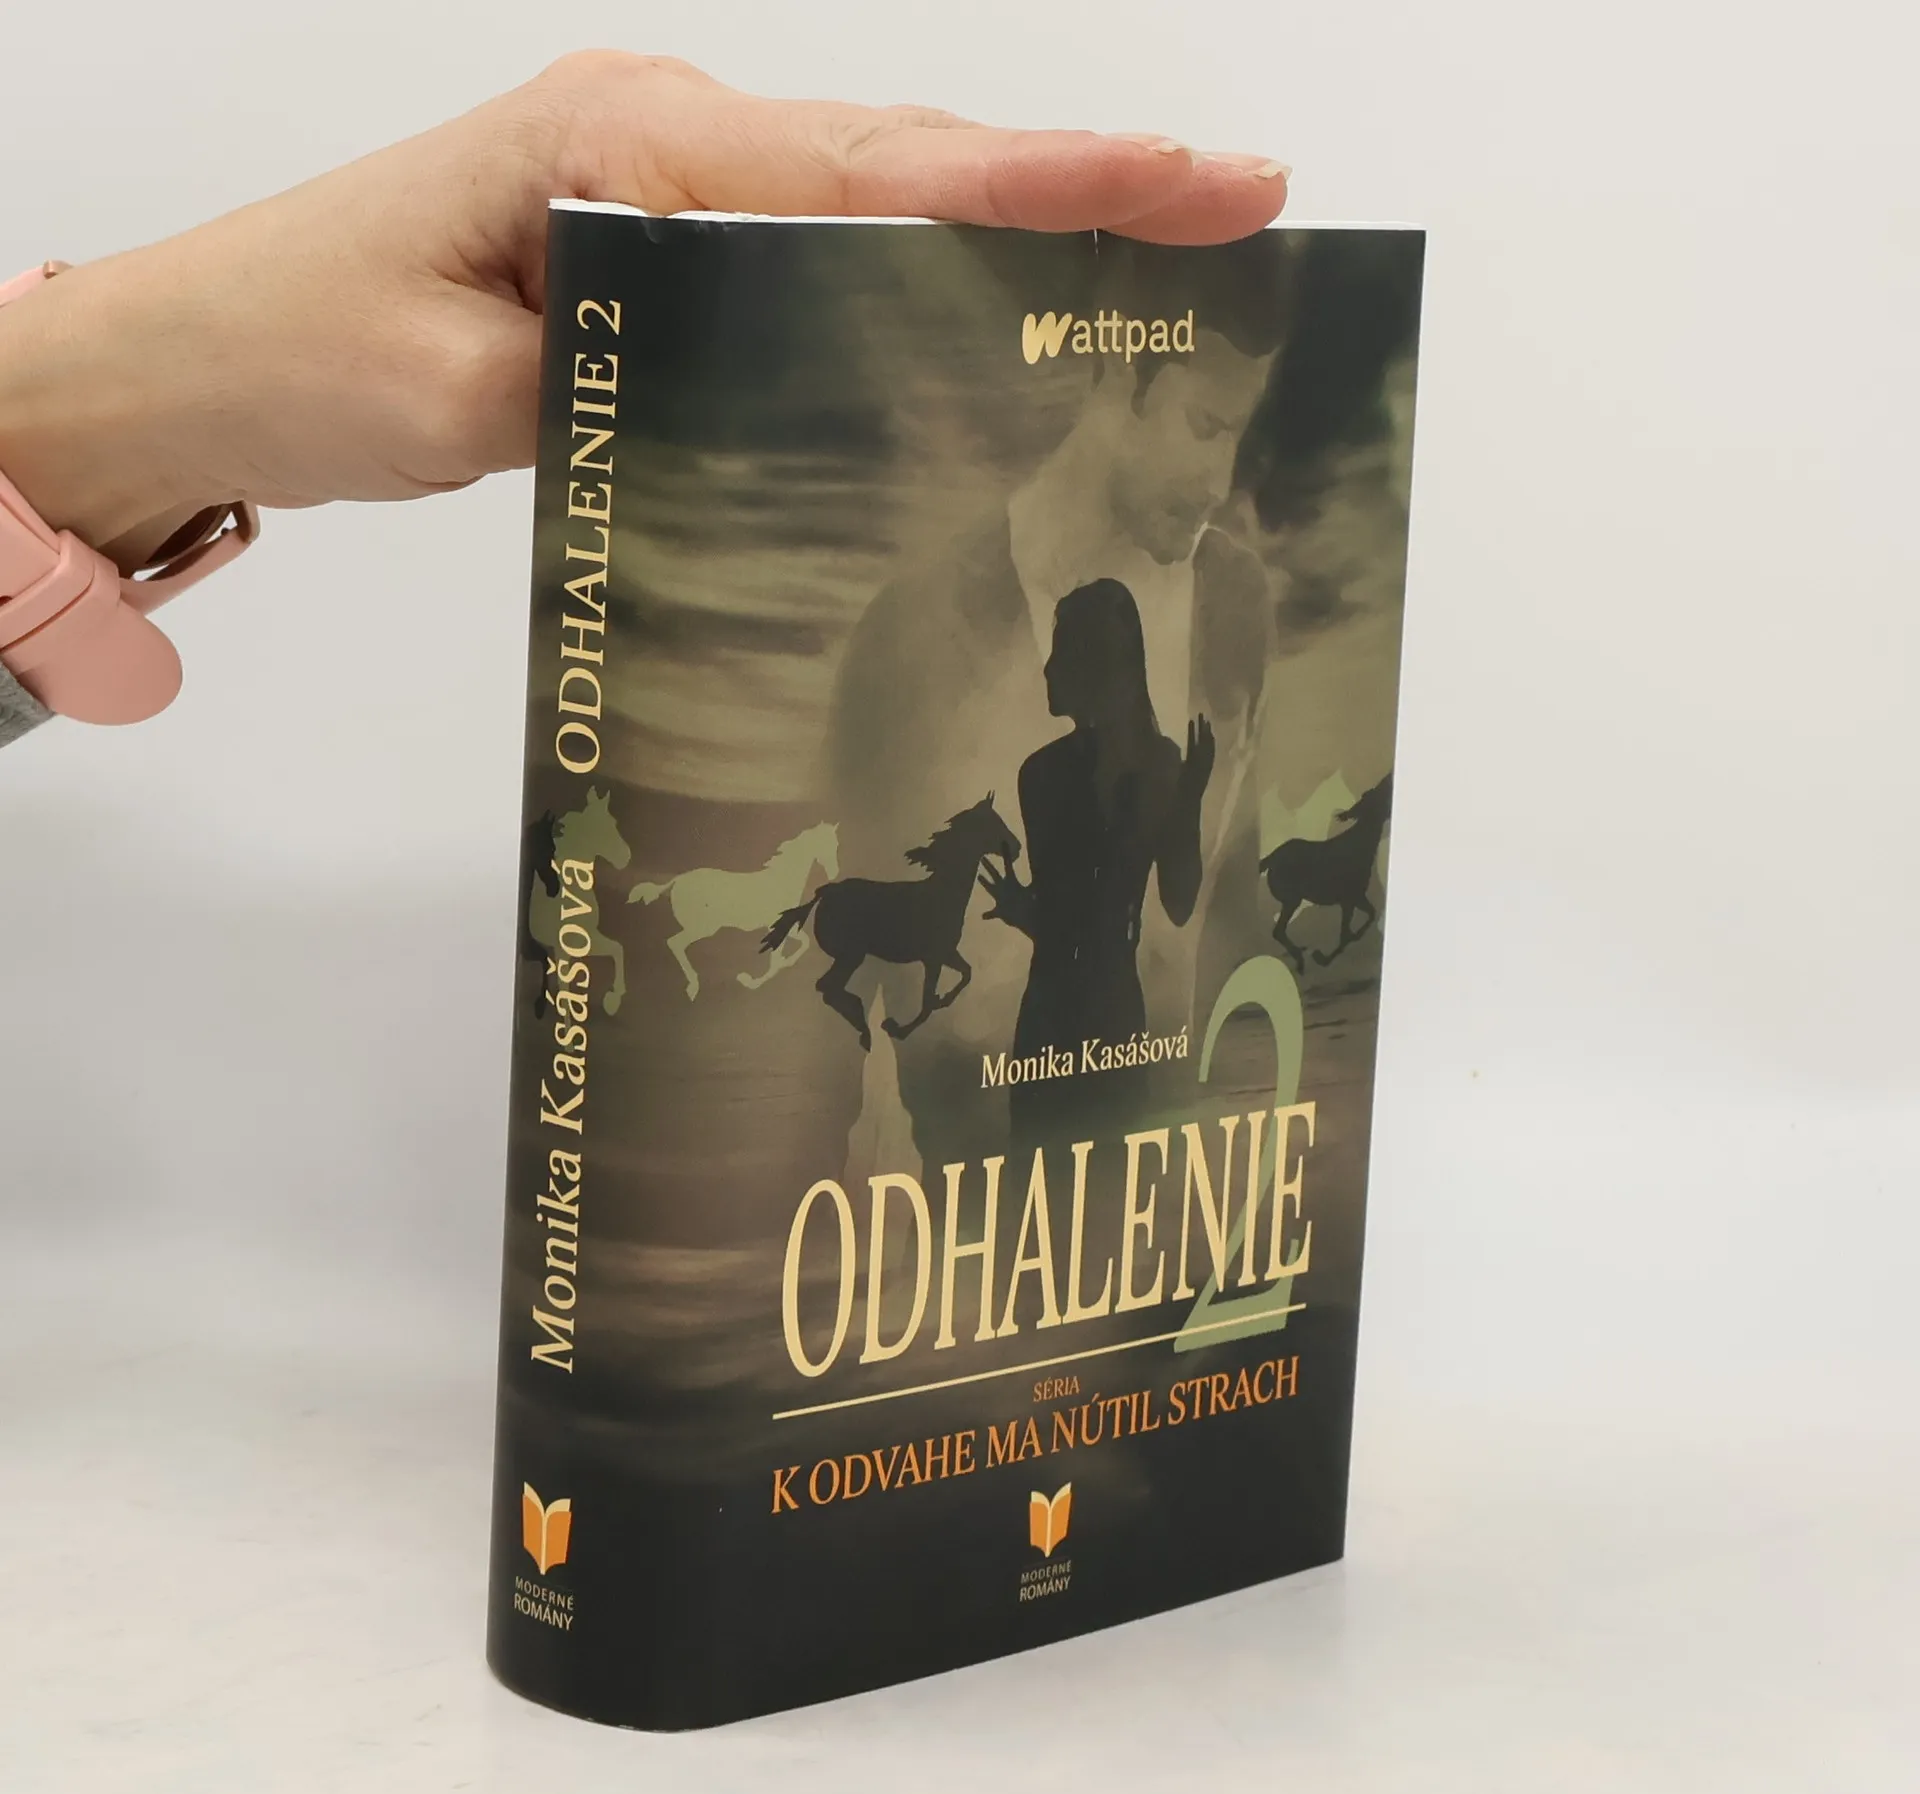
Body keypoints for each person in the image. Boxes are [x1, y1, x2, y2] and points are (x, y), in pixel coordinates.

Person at [0, 53, 1288, 745]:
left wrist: (97, 408)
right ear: (1117, 394)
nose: (1218, 477)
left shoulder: (1231, 604)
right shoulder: (930, 624)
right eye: (1203, 425)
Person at [980, 577, 1214, 1143]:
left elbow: (1066, 929)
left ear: (1094, 665)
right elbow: (1172, 905)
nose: (1047, 668)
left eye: (1060, 651)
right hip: (1109, 1014)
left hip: (1056, 1018)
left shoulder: (1043, 774)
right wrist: (1185, 801)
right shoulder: (1156, 764)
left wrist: (1022, 910)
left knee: (1048, 1177)